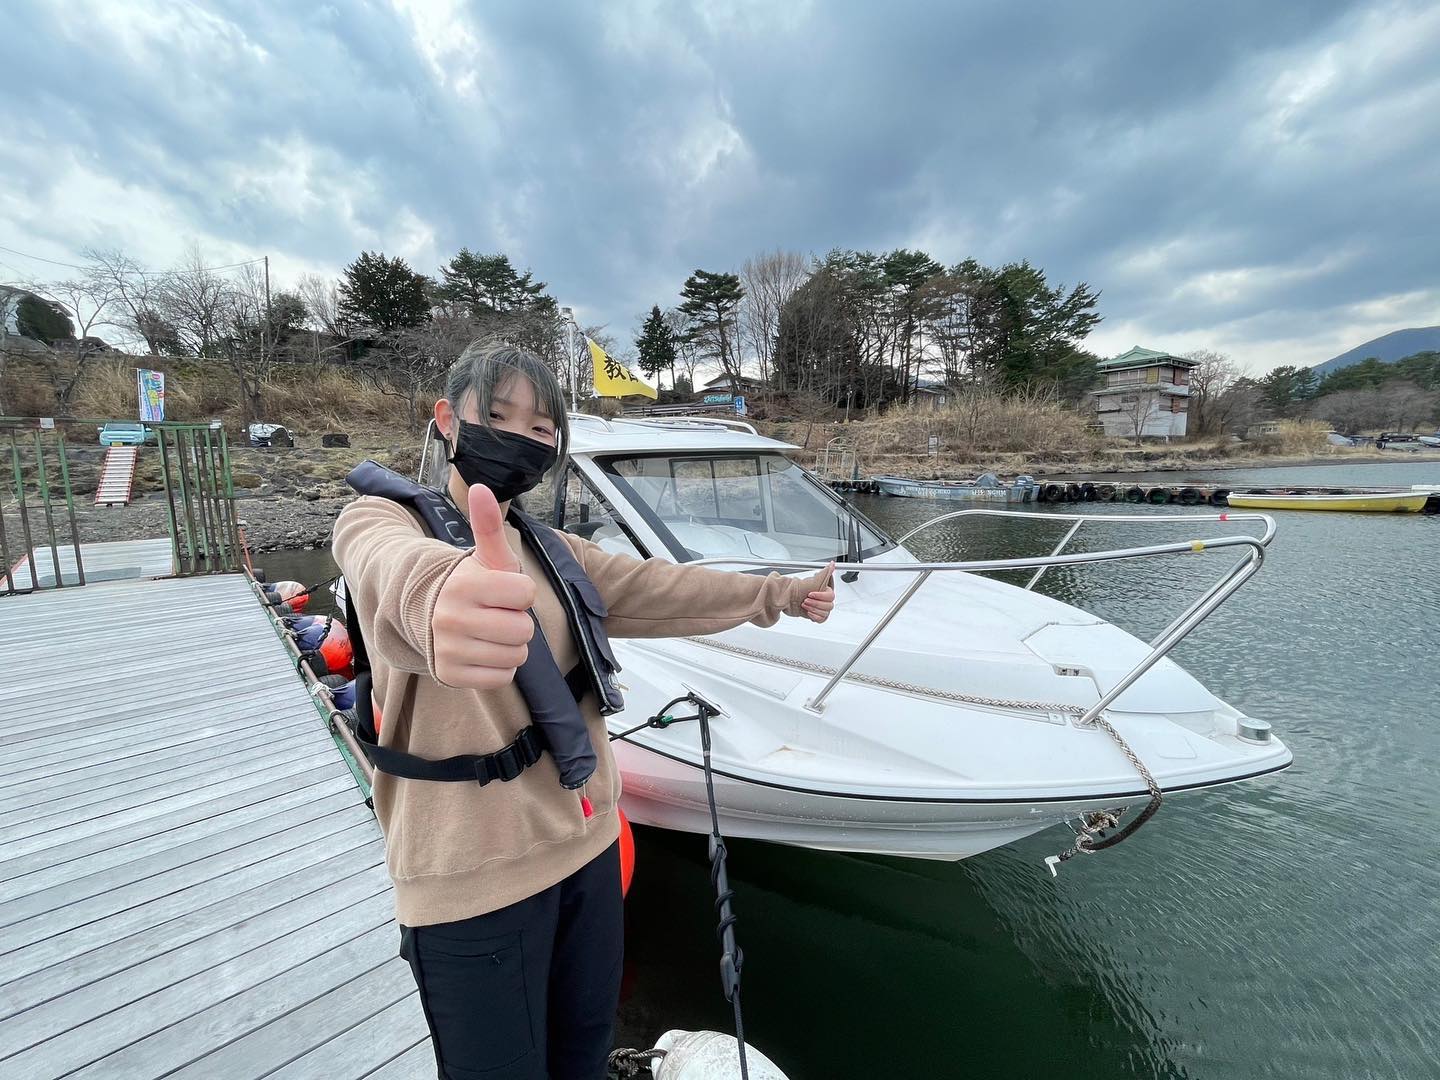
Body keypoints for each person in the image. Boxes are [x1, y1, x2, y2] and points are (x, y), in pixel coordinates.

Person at [332, 342, 835, 1080]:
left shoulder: (557, 551)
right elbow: (389, 572)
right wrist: (445, 601)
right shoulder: (383, 521)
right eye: (499, 416)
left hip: (588, 853)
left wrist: (779, 594)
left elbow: (667, 589)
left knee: (582, 1059)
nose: (522, 438)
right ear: (447, 421)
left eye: (542, 428)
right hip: (473, 877)